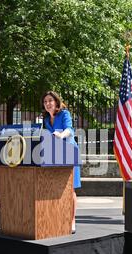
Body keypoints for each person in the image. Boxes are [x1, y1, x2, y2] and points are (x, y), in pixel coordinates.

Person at [41, 91, 81, 234]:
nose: (47, 104)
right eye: (45, 102)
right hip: (55, 154)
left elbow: (69, 130)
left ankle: (72, 221)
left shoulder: (64, 114)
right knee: (57, 186)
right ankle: (58, 218)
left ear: (56, 102)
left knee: (71, 189)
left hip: (69, 151)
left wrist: (61, 135)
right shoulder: (46, 119)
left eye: (50, 100)